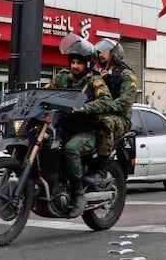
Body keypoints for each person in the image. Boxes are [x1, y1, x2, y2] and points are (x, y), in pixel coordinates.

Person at [45, 34, 113, 217]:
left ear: (87, 64)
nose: (74, 66)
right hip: (64, 127)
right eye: (73, 62)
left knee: (70, 149)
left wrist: (84, 107)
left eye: (79, 63)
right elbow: (46, 91)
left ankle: (78, 192)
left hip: (87, 131)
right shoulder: (63, 77)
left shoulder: (94, 80)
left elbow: (106, 101)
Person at [85, 37, 137, 187]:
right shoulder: (97, 73)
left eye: (105, 52)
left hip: (119, 118)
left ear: (114, 53)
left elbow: (126, 100)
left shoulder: (126, 74)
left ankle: (101, 170)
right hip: (97, 113)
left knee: (105, 123)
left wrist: (103, 106)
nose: (101, 54)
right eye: (99, 52)